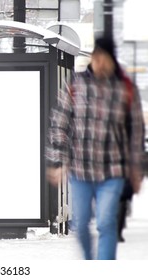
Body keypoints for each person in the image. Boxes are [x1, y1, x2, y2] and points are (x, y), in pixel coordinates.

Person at [46, 36, 145, 260]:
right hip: (80, 170)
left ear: (112, 60)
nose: (99, 62)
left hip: (113, 171)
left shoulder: (125, 89)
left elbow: (136, 132)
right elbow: (59, 123)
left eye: (104, 57)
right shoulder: (75, 85)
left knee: (106, 221)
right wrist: (58, 161)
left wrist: (136, 168)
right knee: (80, 224)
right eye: (96, 56)